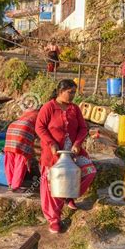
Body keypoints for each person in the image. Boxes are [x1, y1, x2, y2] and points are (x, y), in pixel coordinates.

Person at [35, 80, 97, 234]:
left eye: (74, 93)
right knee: (52, 186)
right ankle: (54, 220)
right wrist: (51, 143)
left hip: (74, 152)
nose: (73, 96)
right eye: (70, 92)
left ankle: (69, 196)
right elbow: (39, 127)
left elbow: (83, 128)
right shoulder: (48, 107)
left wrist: (77, 143)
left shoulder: (75, 109)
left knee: (90, 172)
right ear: (60, 91)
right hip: (53, 155)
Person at [4, 109, 39, 192]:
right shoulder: (41, 114)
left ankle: (10, 183)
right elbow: (41, 129)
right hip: (24, 128)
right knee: (21, 158)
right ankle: (15, 186)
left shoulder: (29, 112)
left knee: (10, 157)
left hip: (12, 127)